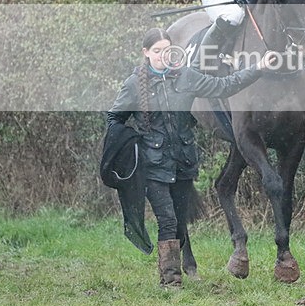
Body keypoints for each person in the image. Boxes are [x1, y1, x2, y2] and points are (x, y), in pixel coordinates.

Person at [106, 27, 276, 288]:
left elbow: (224, 85)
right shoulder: (133, 85)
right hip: (152, 165)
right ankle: (171, 282)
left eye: (166, 50)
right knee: (168, 219)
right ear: (146, 53)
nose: (162, 56)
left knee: (179, 219)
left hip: (183, 161)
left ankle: (180, 268)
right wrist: (130, 144)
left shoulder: (186, 77)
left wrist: (259, 68)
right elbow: (114, 117)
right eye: (156, 51)